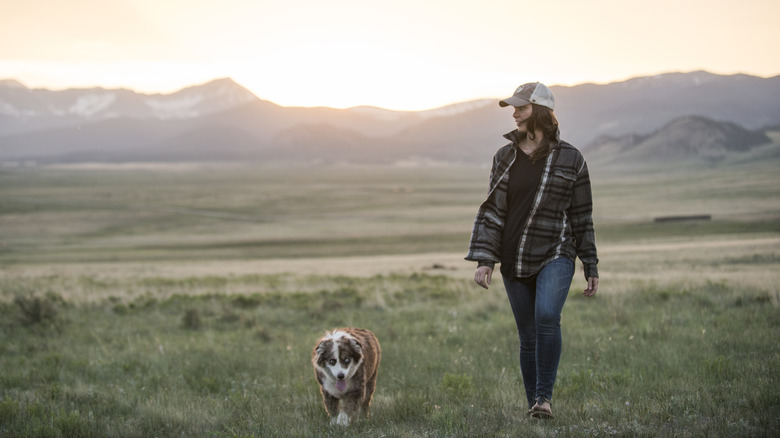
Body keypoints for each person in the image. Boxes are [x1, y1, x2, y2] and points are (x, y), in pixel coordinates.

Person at [465, 82, 599, 420]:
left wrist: (591, 264)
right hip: (514, 257)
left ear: (539, 110)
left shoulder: (572, 159)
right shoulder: (505, 156)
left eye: (521, 108)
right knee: (527, 336)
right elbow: (494, 210)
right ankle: (535, 408)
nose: (514, 113)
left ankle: (544, 398)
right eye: (514, 108)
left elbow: (582, 216)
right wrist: (485, 260)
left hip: (556, 252)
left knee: (546, 318)